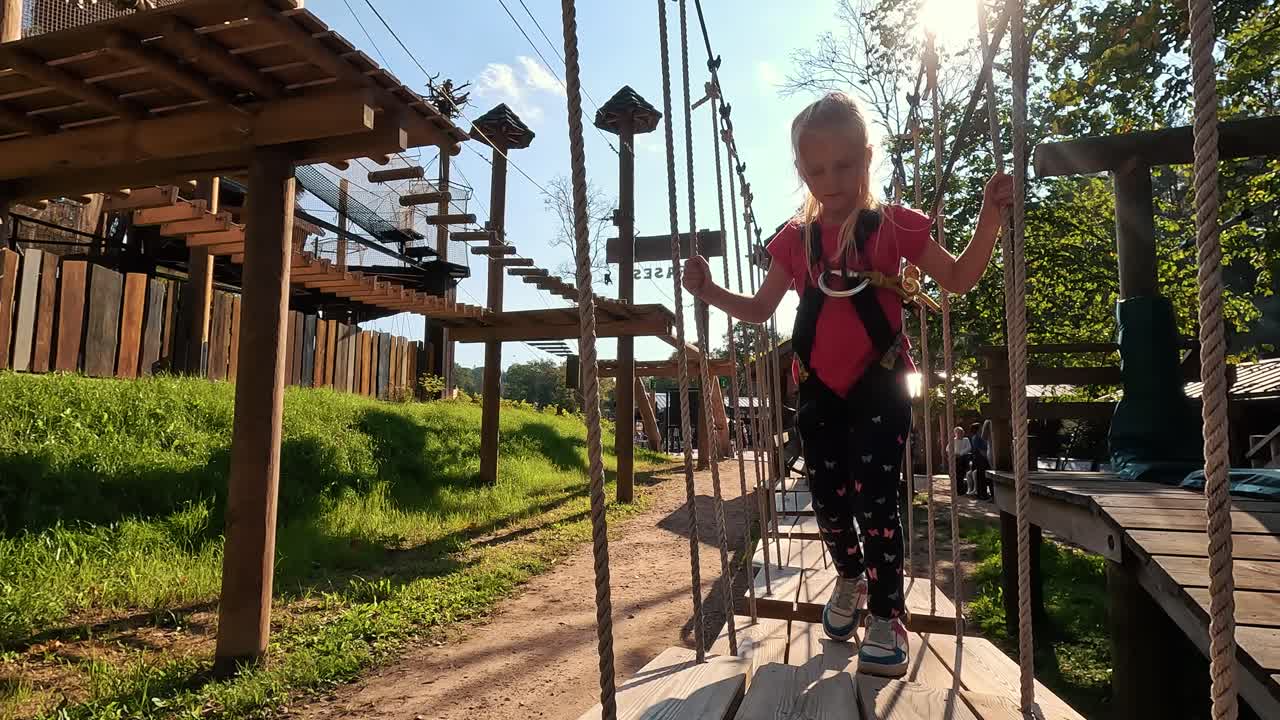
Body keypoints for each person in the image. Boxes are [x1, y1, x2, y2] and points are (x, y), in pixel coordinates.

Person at [682, 91, 1011, 678]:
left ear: (868, 158)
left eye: (845, 165)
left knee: (877, 503)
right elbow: (760, 310)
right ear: (801, 172)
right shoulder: (795, 239)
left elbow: (958, 277)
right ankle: (851, 578)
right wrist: (708, 293)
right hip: (816, 391)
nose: (832, 181)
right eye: (817, 169)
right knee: (830, 504)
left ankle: (887, 614)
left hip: (880, 386)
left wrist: (989, 217)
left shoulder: (893, 229)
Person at [969, 422, 992, 500]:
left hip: (981, 458)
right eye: (981, 427)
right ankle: (982, 494)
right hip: (980, 459)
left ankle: (982, 494)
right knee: (981, 477)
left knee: (982, 477)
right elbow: (980, 450)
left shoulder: (980, 437)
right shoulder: (976, 438)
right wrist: (988, 457)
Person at [951, 426, 971, 495]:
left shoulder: (966, 439)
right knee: (956, 475)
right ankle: (957, 490)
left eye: (961, 432)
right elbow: (947, 449)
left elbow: (969, 448)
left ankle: (961, 490)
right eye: (958, 433)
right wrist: (954, 454)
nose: (960, 434)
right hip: (955, 459)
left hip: (963, 459)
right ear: (955, 433)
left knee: (961, 475)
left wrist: (961, 453)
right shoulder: (953, 440)